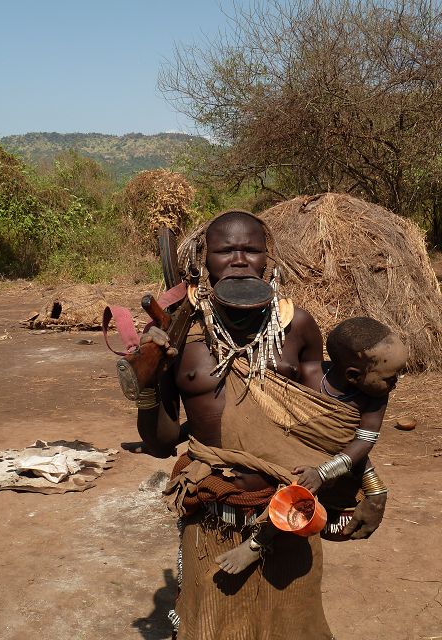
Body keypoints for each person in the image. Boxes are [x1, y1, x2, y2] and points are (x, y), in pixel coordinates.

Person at [137, 210, 388, 640]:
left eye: (251, 250)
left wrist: (373, 488)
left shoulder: (297, 327)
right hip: (212, 514)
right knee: (212, 625)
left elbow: (327, 426)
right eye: (225, 251)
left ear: (267, 259)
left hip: (289, 512)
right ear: (203, 260)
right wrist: (147, 382)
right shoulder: (179, 333)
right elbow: (161, 443)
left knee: (291, 627)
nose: (239, 261)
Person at [216, 316, 407, 575]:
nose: (396, 383)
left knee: (300, 490)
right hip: (286, 444)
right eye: (390, 377)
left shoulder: (375, 399)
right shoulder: (308, 375)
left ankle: (256, 543)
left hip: (332, 464)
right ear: (353, 375)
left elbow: (364, 442)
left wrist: (322, 473)